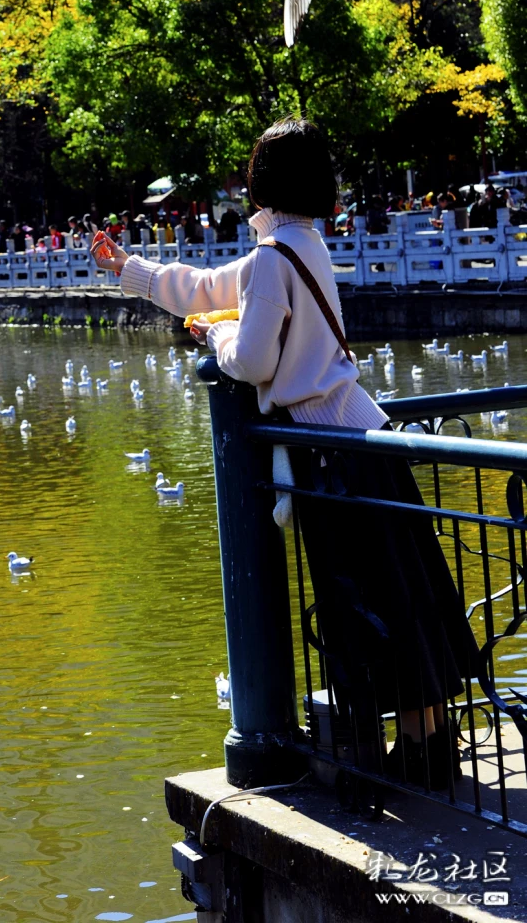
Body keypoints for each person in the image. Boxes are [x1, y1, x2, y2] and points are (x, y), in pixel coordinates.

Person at [92, 116, 477, 788]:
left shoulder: (275, 258)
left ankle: (420, 751)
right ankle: (429, 739)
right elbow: (213, 286)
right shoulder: (302, 245)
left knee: (367, 598)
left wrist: (212, 339)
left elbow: (253, 357)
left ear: (260, 181)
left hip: (329, 452)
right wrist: (131, 271)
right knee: (401, 588)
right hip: (361, 436)